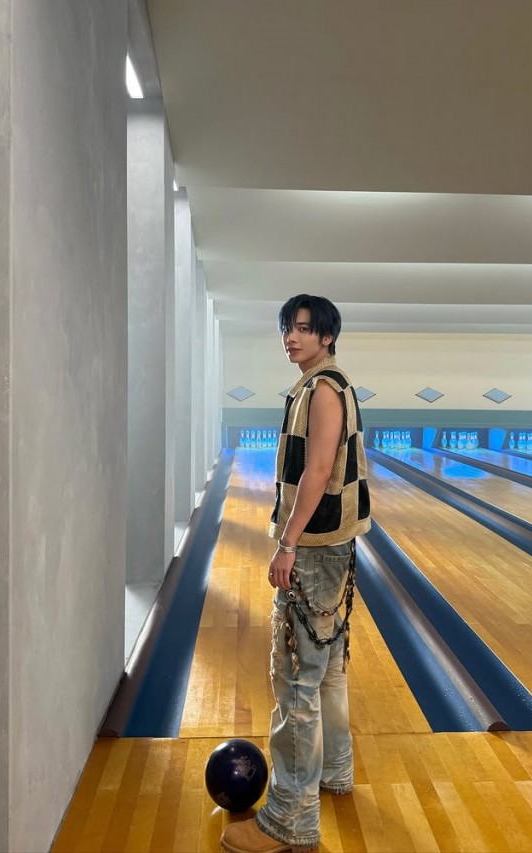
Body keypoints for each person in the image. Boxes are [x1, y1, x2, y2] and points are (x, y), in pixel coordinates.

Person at [221, 295, 371, 853]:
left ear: (326, 336)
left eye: (304, 329)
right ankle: (335, 770)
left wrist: (287, 543)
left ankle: (290, 820)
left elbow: (320, 469)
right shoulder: (328, 384)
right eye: (288, 328)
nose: (292, 337)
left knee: (296, 683)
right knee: (327, 671)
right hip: (334, 547)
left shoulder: (322, 390)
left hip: (311, 549)